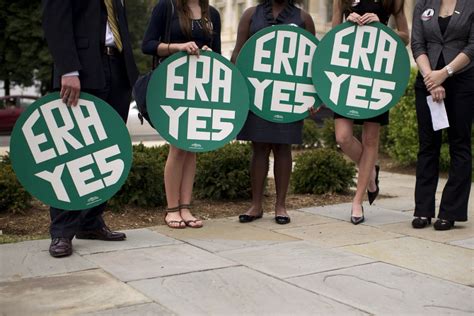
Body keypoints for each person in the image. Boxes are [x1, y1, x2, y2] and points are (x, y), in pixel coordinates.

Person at [42, 0, 139, 257]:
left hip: (117, 69)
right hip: (81, 73)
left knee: (108, 150)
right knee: (73, 152)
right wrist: (68, 69)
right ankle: (62, 231)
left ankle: (91, 222)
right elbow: (55, 21)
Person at [231, 0, 315, 225]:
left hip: (288, 95)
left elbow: (312, 61)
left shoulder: (303, 18)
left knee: (283, 147)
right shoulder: (250, 15)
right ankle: (256, 205)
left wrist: (314, 97)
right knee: (258, 147)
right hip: (258, 93)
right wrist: (235, 90)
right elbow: (238, 53)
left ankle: (281, 206)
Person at [142, 0, 221, 229]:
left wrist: (208, 51)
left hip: (200, 87)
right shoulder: (166, 7)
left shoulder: (212, 13)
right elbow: (147, 45)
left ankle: (185, 207)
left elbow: (215, 52)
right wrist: (178, 47)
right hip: (173, 84)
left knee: (191, 147)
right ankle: (172, 210)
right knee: (178, 146)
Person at [332, 0, 409, 225]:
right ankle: (371, 173)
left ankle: (358, 201)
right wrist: (347, 23)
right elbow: (332, 35)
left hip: (377, 72)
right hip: (346, 69)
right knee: (343, 137)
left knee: (370, 140)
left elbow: (406, 37)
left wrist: (384, 28)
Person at [411, 0, 473, 231]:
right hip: (427, 81)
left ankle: (451, 212)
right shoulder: (423, 4)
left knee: (460, 145)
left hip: (462, 81)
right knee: (428, 146)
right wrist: (430, 78)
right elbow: (418, 44)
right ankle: (423, 210)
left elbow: (472, 45)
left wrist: (445, 73)